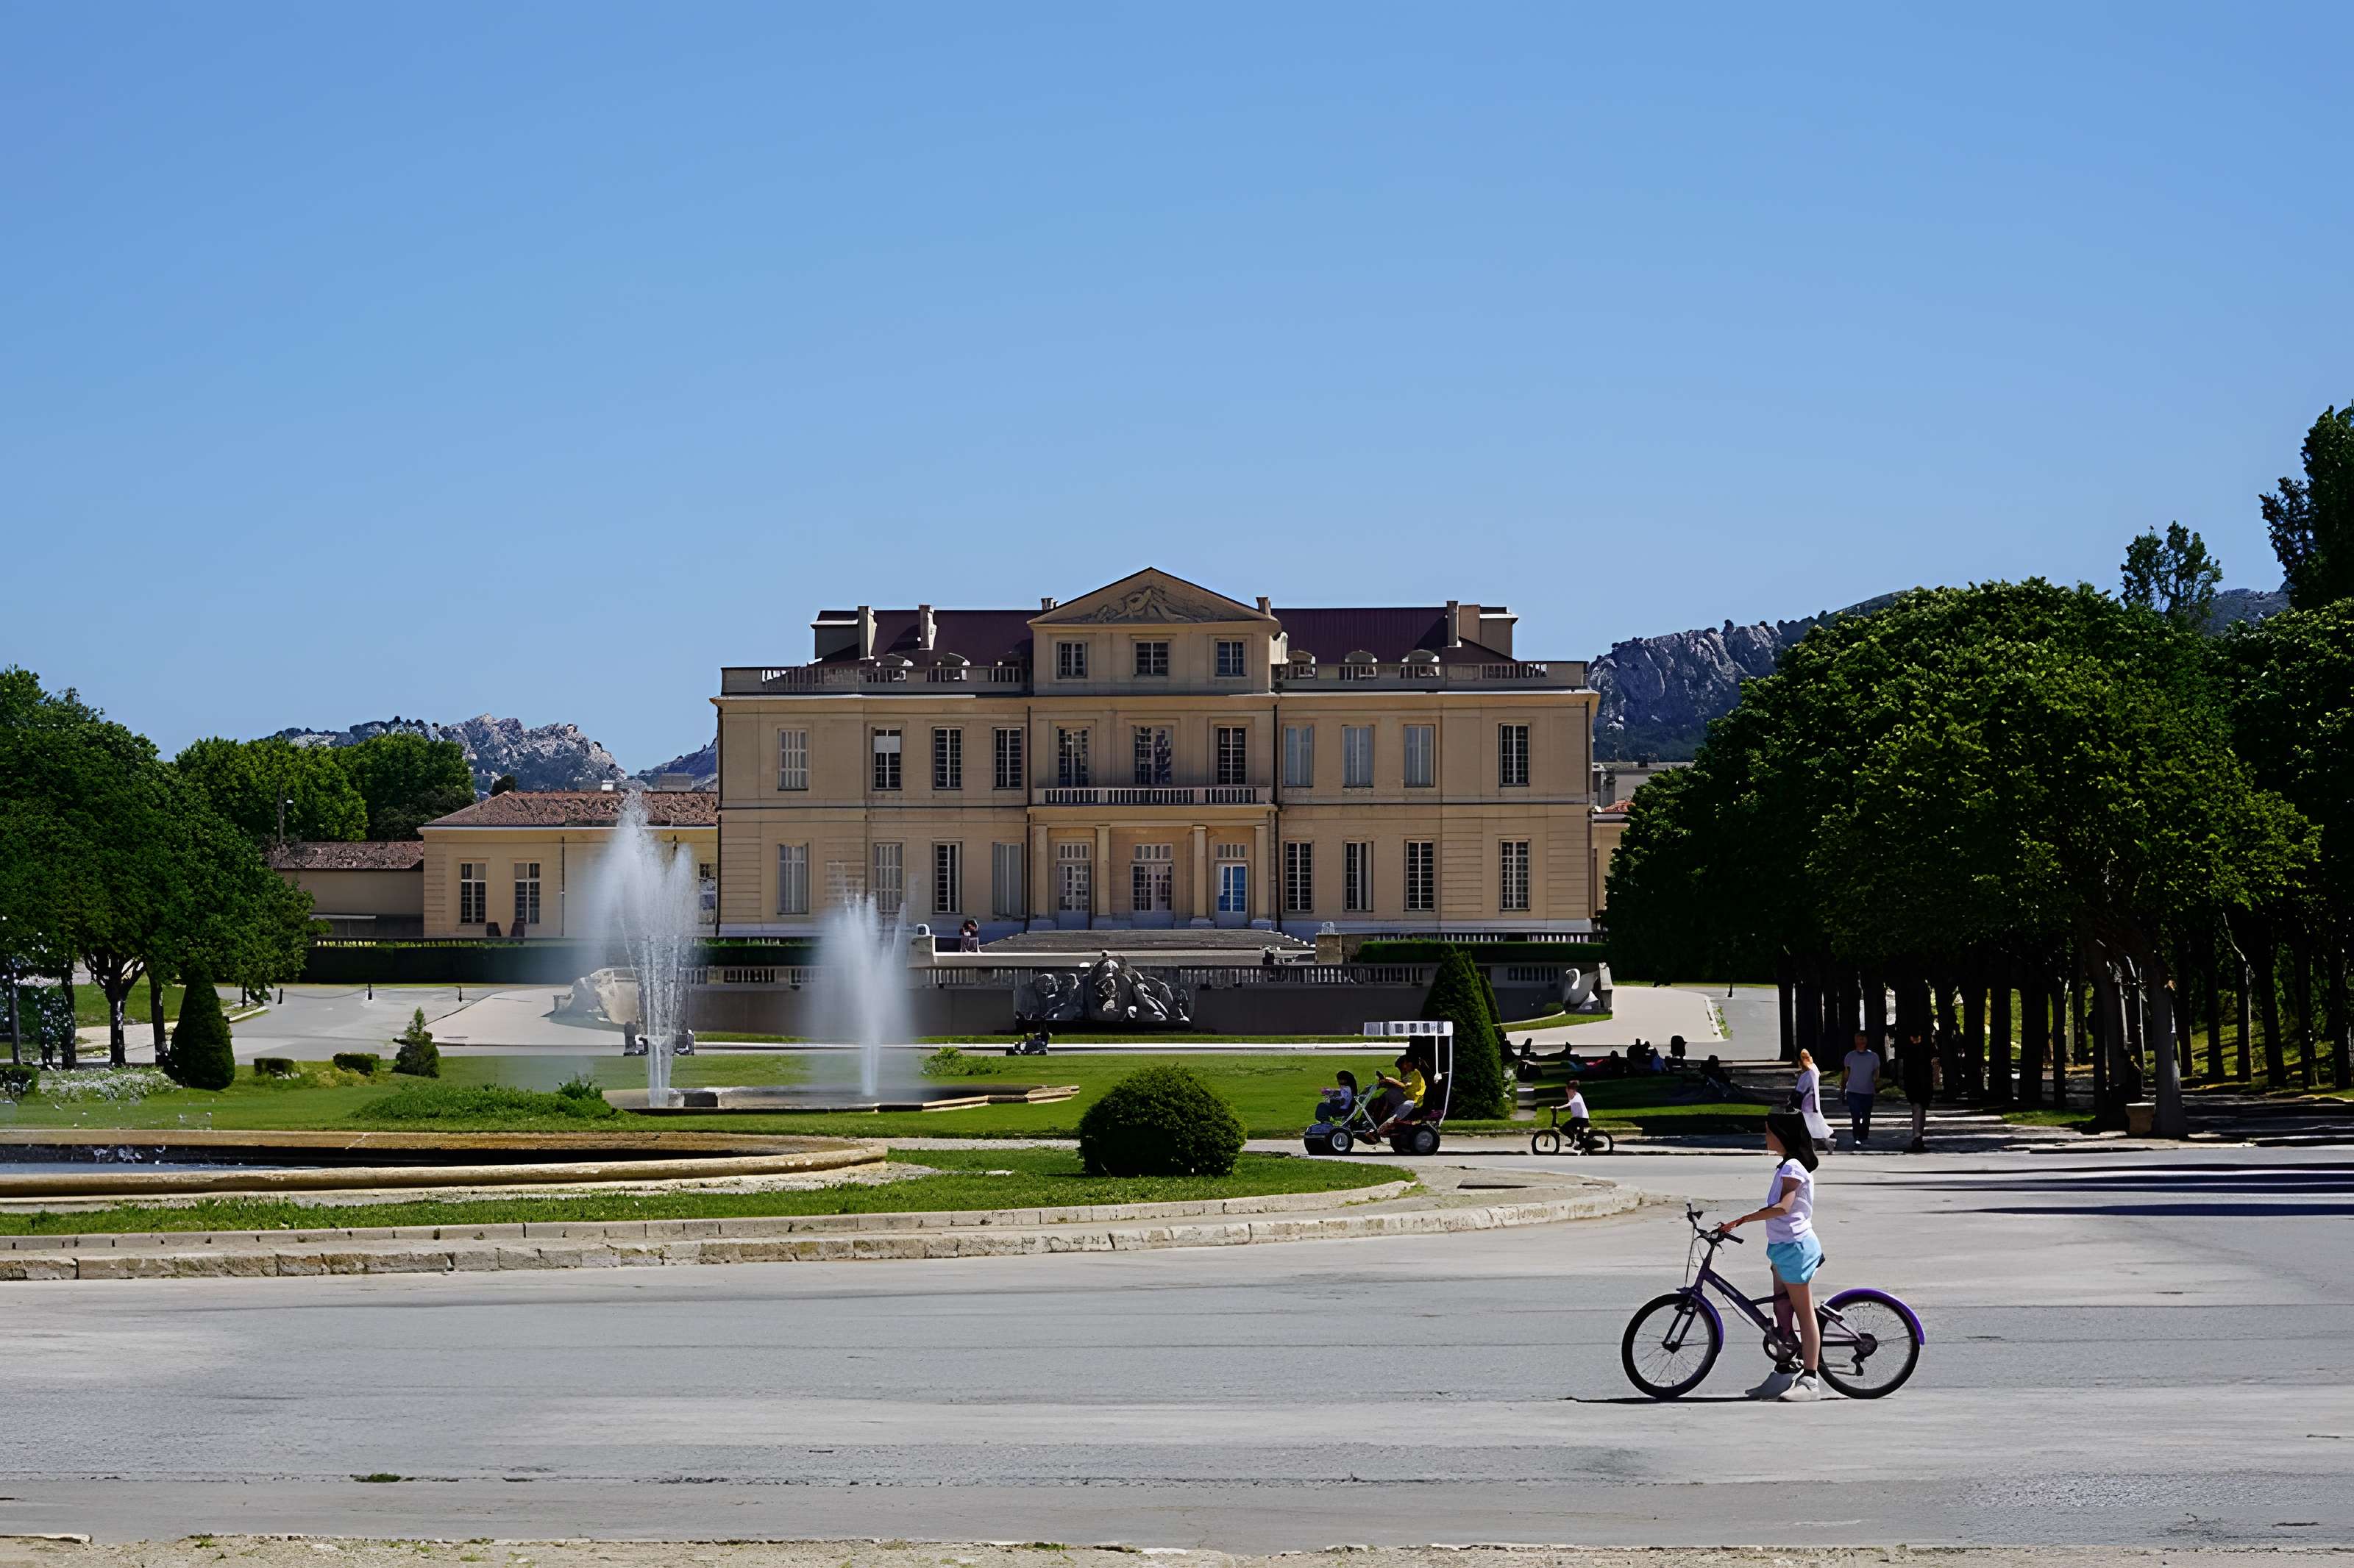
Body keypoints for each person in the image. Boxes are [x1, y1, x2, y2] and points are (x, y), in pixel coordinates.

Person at [1721, 1109, 1824, 1401]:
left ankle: (1811, 1380)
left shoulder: (1793, 1167)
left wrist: (1743, 1220)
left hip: (1796, 1248)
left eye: (1769, 1132)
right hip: (1782, 1247)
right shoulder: (1785, 1165)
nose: (1765, 1137)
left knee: (1804, 1314)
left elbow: (1783, 1207)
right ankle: (1783, 1372)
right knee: (1782, 1313)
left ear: (1782, 1135)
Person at [1897, 1026, 1940, 1153]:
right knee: (1920, 1109)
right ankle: (1918, 1136)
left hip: (1917, 1083)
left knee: (1918, 1108)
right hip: (1920, 1083)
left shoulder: (1910, 1049)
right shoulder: (1925, 1048)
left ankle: (1918, 1136)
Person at [1372, 1051, 1428, 1137]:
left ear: (1409, 1064)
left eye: (1402, 1068)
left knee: (1398, 1097)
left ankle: (1387, 1123)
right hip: (1406, 1097)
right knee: (1388, 1094)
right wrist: (1385, 1084)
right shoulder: (1409, 1074)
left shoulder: (1415, 1074)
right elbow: (1401, 1085)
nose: (1402, 1071)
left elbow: (1403, 1086)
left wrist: (1388, 1080)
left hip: (1413, 1102)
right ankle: (1375, 1118)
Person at [1841, 1032, 1882, 1145]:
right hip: (1853, 1091)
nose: (1861, 1042)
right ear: (1855, 1041)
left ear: (1866, 1041)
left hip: (1868, 1091)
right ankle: (1857, 1136)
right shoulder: (1850, 1056)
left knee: (1866, 1116)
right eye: (1859, 1039)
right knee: (1855, 1115)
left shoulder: (1874, 1057)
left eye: (1863, 1039)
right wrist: (1843, 1086)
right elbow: (1846, 1073)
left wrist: (1876, 1083)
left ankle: (1863, 1135)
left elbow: (1876, 1072)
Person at [1793, 1048, 1826, 1150]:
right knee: (1817, 1125)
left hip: (1807, 1105)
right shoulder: (1814, 1069)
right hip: (1813, 1104)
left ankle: (1821, 1143)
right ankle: (1822, 1142)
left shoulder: (1806, 1075)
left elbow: (1799, 1091)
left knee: (1809, 1126)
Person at [1563, 1083, 1591, 1149]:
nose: (1566, 1091)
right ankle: (1580, 1142)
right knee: (1574, 1129)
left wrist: (1558, 1107)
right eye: (1566, 1090)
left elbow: (1570, 1103)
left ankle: (1574, 1140)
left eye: (1568, 1090)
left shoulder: (1577, 1096)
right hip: (1579, 1117)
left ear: (1572, 1090)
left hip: (1581, 1118)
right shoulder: (1572, 1095)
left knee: (1563, 1128)